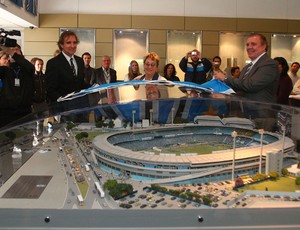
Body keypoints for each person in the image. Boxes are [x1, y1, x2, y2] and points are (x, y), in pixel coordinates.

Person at [214, 33, 279, 103]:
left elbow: (251, 85)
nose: (249, 47)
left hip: (260, 111)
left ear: (264, 46)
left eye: (253, 44)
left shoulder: (269, 64)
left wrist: (226, 78)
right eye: (247, 45)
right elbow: (240, 89)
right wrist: (224, 96)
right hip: (244, 111)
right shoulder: (246, 68)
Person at [45, 30, 87, 103]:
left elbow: (80, 83)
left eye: (74, 42)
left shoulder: (80, 61)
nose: (73, 46)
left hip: (80, 107)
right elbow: (50, 89)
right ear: (61, 45)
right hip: (63, 109)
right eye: (68, 43)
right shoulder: (53, 63)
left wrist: (95, 88)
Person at [0, 45, 35, 128]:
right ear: (8, 58)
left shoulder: (27, 70)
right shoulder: (5, 71)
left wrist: (12, 53)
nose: (13, 52)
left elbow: (30, 67)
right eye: (11, 50)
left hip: (25, 113)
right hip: (7, 114)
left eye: (16, 50)